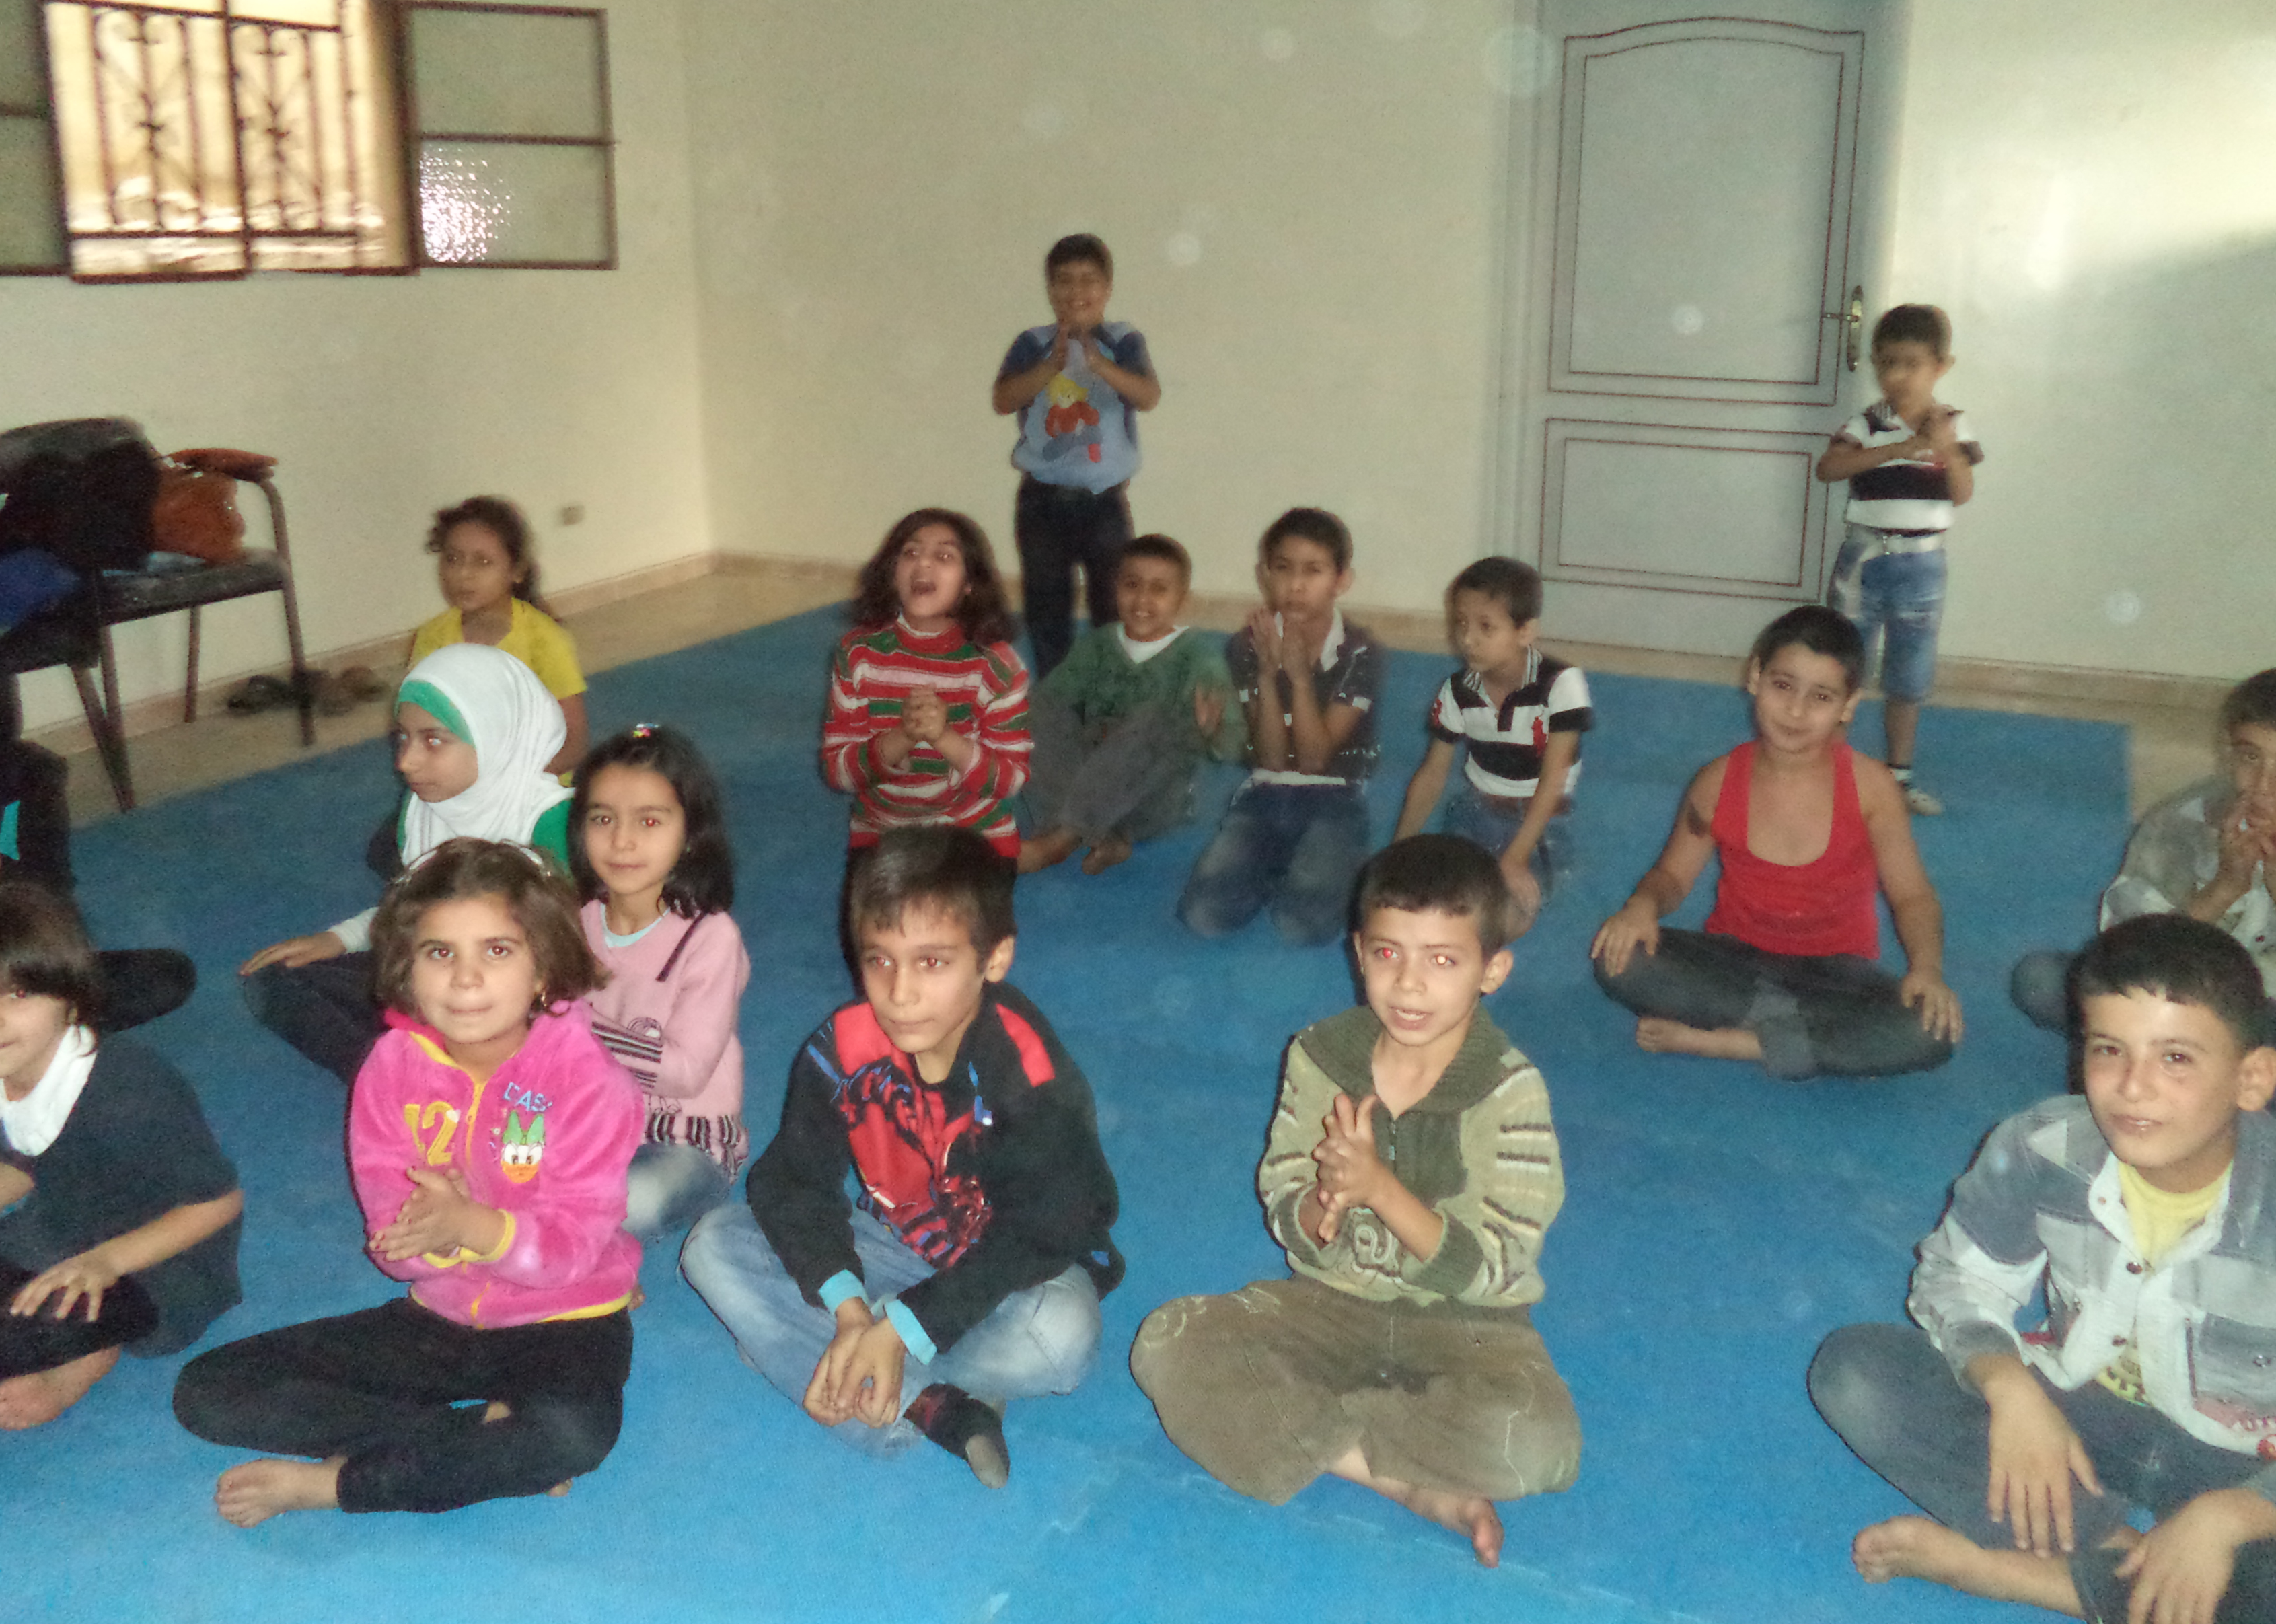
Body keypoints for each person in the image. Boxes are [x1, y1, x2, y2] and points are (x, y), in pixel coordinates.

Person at [1810, 914, 2276, 1624]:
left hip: (2248, 1459)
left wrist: (2228, 1518)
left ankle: (2028, 1577)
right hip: (2079, 1415)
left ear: (2252, 1079)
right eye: (2109, 1050)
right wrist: (2009, 1388)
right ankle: (2129, 1561)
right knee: (1856, 1376)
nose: (2133, 1087)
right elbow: (1957, 1279)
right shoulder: (2043, 1146)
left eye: (2176, 1059)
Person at [1134, 836, 1580, 1567]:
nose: (1409, 985)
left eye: (1443, 961)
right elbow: (1287, 1204)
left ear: (1492, 970)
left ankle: (1309, 1427)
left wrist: (1382, 1191)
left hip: (1470, 1328)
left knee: (1535, 1445)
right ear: (1358, 954)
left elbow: (1495, 1265)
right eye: (1388, 954)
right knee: (1167, 1341)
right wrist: (1326, 1204)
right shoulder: (1321, 1055)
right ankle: (1405, 1483)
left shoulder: (1510, 1089)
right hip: (1332, 1308)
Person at [175, 839, 640, 1525]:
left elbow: (571, 1247)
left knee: (574, 1437)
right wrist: (433, 1238)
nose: (466, 979)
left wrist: (474, 1226)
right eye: (439, 953)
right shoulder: (392, 1067)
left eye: (498, 951)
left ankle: (343, 1484)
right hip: (442, 1312)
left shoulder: (589, 1082)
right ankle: (478, 1445)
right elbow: (393, 1242)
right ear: (407, 969)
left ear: (544, 968)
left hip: (566, 1316)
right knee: (210, 1391)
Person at [680, 827, 1122, 1487]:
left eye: (932, 963)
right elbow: (792, 1183)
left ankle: (823, 1353)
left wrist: (905, 1330)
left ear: (994, 959)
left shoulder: (1025, 1073)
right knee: (711, 1246)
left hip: (1011, 1276)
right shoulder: (844, 1047)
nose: (901, 992)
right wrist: (852, 1312)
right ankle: (930, 1405)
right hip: (892, 1247)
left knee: (1061, 1340)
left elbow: (1058, 1222)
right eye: (880, 961)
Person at [2011, 665, 2276, 1128]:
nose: (2265, 786)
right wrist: (2223, 889)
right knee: (2041, 981)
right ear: (2228, 752)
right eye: (2250, 758)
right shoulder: (2180, 824)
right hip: (2185, 1005)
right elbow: (2123, 963)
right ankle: (2253, 1089)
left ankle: (2200, 1080)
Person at [1589, 604, 1960, 1078]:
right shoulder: (1716, 783)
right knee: (1618, 958)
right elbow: (1672, 877)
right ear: (1755, 677)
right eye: (1783, 686)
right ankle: (1796, 1038)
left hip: (1837, 978)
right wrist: (1641, 906)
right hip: (1733, 963)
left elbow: (1912, 896)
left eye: (1821, 696)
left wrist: (1927, 970)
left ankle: (1742, 1042)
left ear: (1848, 705)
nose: (1796, 711)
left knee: (1931, 1032)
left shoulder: (1871, 789)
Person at [0, 881, 241, 1430]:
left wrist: (106, 1262)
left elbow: (217, 1202)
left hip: (161, 1266)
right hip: (60, 1227)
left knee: (4, 1339)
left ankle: (85, 1360)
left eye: (16, 994)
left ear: (71, 999)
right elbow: (26, 1158)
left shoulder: (129, 1091)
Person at [240, 645, 573, 1083]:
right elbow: (414, 911)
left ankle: (420, 1074)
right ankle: (409, 1076)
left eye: (434, 740)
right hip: (435, 972)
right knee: (276, 979)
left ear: (495, 733)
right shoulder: (421, 810)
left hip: (518, 995)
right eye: (403, 738)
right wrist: (340, 938)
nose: (406, 762)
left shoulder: (553, 825)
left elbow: (574, 964)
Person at [571, 725, 750, 1240]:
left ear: (690, 835)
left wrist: (574, 1024)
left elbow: (686, 1073)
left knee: (634, 1201)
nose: (622, 840)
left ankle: (571, 1229)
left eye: (649, 821)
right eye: (603, 819)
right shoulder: (576, 922)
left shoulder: (710, 939)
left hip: (683, 1139)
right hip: (591, 1125)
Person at [1178, 508, 1385, 946]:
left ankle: (1319, 861)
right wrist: (1268, 676)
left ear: (1341, 581)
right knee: (1203, 916)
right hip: (1266, 791)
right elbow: (1271, 758)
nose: (1296, 585)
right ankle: (1280, 862)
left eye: (1313, 571)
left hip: (1336, 793)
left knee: (1303, 926)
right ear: (1264, 575)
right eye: (1283, 569)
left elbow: (1314, 759)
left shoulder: (1361, 652)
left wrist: (1300, 678)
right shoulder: (1247, 645)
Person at [1814, 303, 1979, 815]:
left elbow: (1962, 493)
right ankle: (1827, 774)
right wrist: (1898, 448)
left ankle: (1897, 778)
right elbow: (1829, 468)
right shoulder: (1867, 423)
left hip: (1922, 565)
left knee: (1910, 677)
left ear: (1941, 366)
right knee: (1844, 669)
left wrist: (1945, 450)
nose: (1897, 376)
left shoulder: (1954, 424)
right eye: (1886, 364)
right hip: (1863, 558)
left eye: (1911, 364)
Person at [0, 669, 193, 1031]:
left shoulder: (24, 774)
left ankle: (32, 1027)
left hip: (8, 954)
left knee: (165, 976)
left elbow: (46, 891)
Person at [1016, 533, 1241, 877]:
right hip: (1084, 781)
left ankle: (1064, 837)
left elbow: (1232, 742)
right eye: (1132, 585)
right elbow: (1052, 703)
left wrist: (1211, 733)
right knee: (1036, 708)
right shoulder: (1098, 645)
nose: (1142, 599)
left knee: (1156, 719)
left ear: (1183, 600)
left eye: (1159, 589)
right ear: (1115, 588)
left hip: (1151, 798)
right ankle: (1106, 837)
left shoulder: (1198, 659)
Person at [1392, 556, 1592, 938]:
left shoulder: (1561, 684)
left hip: (1542, 823)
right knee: (1440, 898)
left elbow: (1553, 778)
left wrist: (1515, 858)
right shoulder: (1458, 691)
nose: (1468, 639)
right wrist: (1400, 848)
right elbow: (1433, 774)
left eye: (1486, 627)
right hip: (1477, 812)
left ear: (1525, 631)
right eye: (1461, 623)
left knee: (1506, 914)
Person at [990, 233, 1163, 675]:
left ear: (1107, 288)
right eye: (1064, 281)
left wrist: (1099, 365)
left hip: (1104, 500)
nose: (1076, 291)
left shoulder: (1123, 340)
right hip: (1041, 500)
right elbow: (1004, 399)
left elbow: (1147, 396)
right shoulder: (1033, 343)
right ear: (1050, 290)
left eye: (1089, 280)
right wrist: (1050, 366)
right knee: (1046, 605)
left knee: (1114, 604)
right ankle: (1057, 691)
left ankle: (1112, 689)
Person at [821, 509, 1032, 860]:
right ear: (892, 573)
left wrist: (943, 737)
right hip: (883, 834)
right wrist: (903, 735)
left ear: (969, 584)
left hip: (971, 832)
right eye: (911, 553)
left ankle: (1027, 854)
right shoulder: (857, 654)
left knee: (952, 895)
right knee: (887, 898)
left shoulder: (996, 666)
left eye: (944, 556)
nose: (923, 565)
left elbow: (1010, 780)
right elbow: (838, 774)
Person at [408, 496, 589, 775]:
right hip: (463, 775)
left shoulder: (545, 641)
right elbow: (417, 723)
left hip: (535, 781)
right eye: (453, 559)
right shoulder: (432, 637)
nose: (463, 574)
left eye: (483, 562)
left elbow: (574, 744)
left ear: (516, 570)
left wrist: (506, 784)